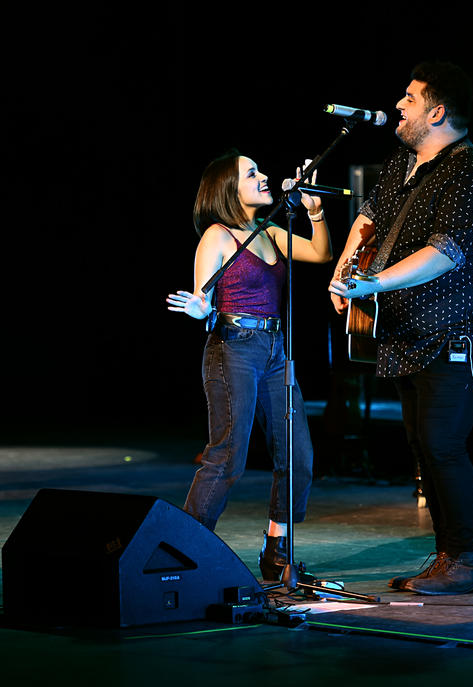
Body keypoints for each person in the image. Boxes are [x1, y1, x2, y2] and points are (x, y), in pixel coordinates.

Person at [328, 61, 473, 595]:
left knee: (441, 444)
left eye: (409, 98)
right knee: (422, 444)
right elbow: (368, 215)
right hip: (410, 333)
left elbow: (445, 253)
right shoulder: (403, 163)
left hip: (460, 332)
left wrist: (373, 286)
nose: (398, 105)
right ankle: (447, 557)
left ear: (436, 112)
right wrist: (344, 274)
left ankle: (465, 562)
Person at [166, 150, 332, 580]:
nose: (264, 177)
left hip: (277, 350)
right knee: (227, 457)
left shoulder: (270, 230)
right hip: (233, 346)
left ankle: (276, 551)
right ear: (228, 188)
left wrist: (314, 212)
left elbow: (319, 253)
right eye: (252, 173)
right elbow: (203, 299)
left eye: (260, 169)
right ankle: (183, 553)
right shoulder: (217, 237)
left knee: (298, 456)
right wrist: (200, 308)